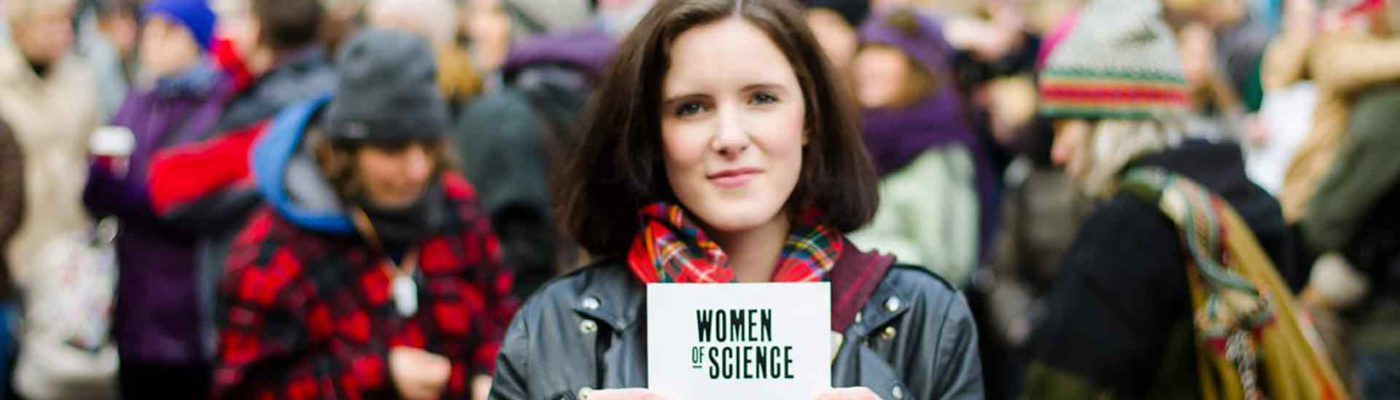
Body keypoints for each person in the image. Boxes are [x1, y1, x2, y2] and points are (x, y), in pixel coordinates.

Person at [488, 1, 983, 399]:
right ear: (651, 134)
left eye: (761, 99)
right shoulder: (556, 327)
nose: (730, 136)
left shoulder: (925, 319)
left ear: (809, 119)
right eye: (693, 108)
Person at [1023, 0, 1345, 398]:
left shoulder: (1127, 229)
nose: (1057, 152)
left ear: (1110, 124)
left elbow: (1063, 386)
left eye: (1063, 126)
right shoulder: (1243, 202)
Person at [214, 30, 515, 400]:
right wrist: (376, 373)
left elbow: (501, 312)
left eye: (428, 145)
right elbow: (245, 389)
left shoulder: (457, 206)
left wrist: (492, 373)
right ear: (347, 151)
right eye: (393, 149)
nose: (418, 170)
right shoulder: (273, 253)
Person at [143, 0, 335, 361]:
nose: (228, 32)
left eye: (240, 18)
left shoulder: (271, 107)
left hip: (258, 295)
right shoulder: (319, 86)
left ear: (260, 28)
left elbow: (176, 192)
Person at [80, 0, 228, 396]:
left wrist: (134, 195)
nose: (153, 42)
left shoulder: (219, 105)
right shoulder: (139, 99)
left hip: (190, 300)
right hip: (134, 296)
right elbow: (104, 186)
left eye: (169, 31)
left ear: (197, 40)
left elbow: (196, 202)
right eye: (150, 29)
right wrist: (98, 180)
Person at [847, 9, 995, 288]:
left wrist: (844, 257)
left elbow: (948, 263)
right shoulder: (849, 136)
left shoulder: (940, 143)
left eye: (885, 50)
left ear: (918, 67)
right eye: (864, 50)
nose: (867, 64)